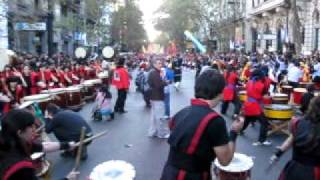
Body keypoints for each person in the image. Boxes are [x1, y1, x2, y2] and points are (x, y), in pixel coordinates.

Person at [160, 69, 244, 180]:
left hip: (169, 173)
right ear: (219, 92)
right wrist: (234, 132)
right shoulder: (215, 121)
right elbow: (225, 160)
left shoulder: (181, 113)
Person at [0, 109, 78, 179]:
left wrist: (67, 145)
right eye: (30, 126)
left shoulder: (11, 141)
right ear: (20, 133)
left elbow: (44, 146)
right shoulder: (21, 168)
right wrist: (68, 179)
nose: (34, 129)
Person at [270, 96, 320, 180]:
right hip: (314, 173)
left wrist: (277, 154)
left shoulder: (297, 122)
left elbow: (290, 140)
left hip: (294, 168)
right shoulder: (297, 122)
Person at [241, 69, 272, 146]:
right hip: (254, 106)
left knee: (247, 119)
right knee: (264, 122)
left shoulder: (249, 82)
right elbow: (265, 97)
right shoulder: (261, 85)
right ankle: (262, 140)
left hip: (247, 103)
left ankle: (240, 130)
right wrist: (271, 96)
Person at [147, 58, 170, 138]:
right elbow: (158, 85)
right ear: (154, 64)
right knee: (159, 116)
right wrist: (165, 82)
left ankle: (153, 132)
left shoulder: (154, 72)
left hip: (154, 96)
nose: (160, 65)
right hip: (157, 97)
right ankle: (161, 133)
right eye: (158, 63)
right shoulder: (155, 73)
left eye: (161, 63)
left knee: (154, 116)